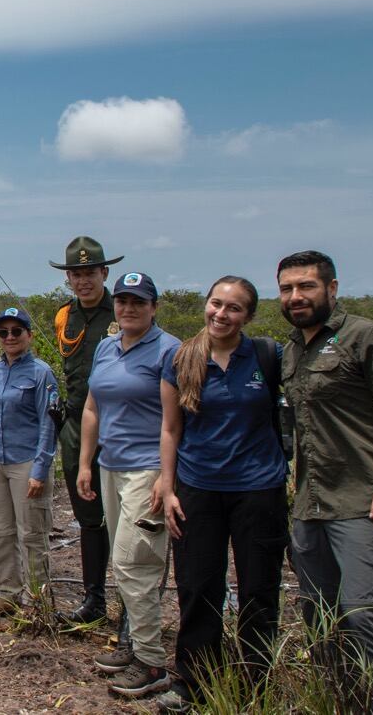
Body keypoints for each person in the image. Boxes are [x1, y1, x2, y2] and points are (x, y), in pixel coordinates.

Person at [278, 251, 373, 715]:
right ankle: (345, 703)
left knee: (366, 617)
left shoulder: (366, 336)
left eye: (306, 286)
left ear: (331, 289)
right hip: (310, 507)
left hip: (363, 503)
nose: (296, 297)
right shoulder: (293, 349)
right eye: (287, 289)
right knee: (321, 620)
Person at [151, 277, 288, 712]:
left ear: (248, 315)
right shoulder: (180, 359)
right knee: (197, 586)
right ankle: (194, 680)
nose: (221, 314)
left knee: (259, 591)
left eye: (234, 308)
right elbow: (171, 428)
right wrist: (168, 487)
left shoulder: (267, 357)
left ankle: (255, 683)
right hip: (198, 488)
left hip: (259, 489)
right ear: (205, 305)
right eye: (216, 304)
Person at [77, 271, 180, 700]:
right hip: (111, 466)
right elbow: (92, 407)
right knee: (125, 565)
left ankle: (153, 662)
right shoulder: (106, 346)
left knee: (135, 563)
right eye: (122, 301)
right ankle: (136, 644)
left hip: (147, 471)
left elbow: (176, 422)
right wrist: (86, 463)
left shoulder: (170, 351)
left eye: (138, 301)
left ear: (154, 306)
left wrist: (165, 478)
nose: (129, 308)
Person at [49, 236, 122, 628]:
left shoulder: (123, 310)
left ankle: (129, 604)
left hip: (118, 424)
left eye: (89, 273)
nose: (82, 281)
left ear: (104, 272)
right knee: (88, 514)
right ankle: (94, 599)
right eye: (75, 275)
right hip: (76, 424)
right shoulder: (65, 316)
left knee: (124, 515)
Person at [0, 305, 59, 616]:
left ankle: (38, 602)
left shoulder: (41, 373)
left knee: (32, 533)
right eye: (3, 332)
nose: (10, 337)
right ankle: (8, 594)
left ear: (29, 335)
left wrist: (40, 469)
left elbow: (49, 424)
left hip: (27, 464)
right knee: (0, 531)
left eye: (16, 331)